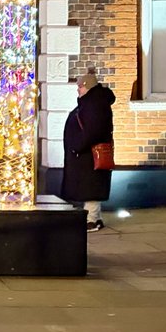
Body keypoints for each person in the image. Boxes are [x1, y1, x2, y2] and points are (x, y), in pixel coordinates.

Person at [60, 68, 116, 232]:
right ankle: (95, 218)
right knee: (90, 187)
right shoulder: (94, 102)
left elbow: (92, 131)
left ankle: (91, 220)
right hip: (86, 155)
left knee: (91, 188)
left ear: (87, 87)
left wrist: (78, 146)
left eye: (80, 86)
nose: (78, 89)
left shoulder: (94, 104)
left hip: (88, 155)